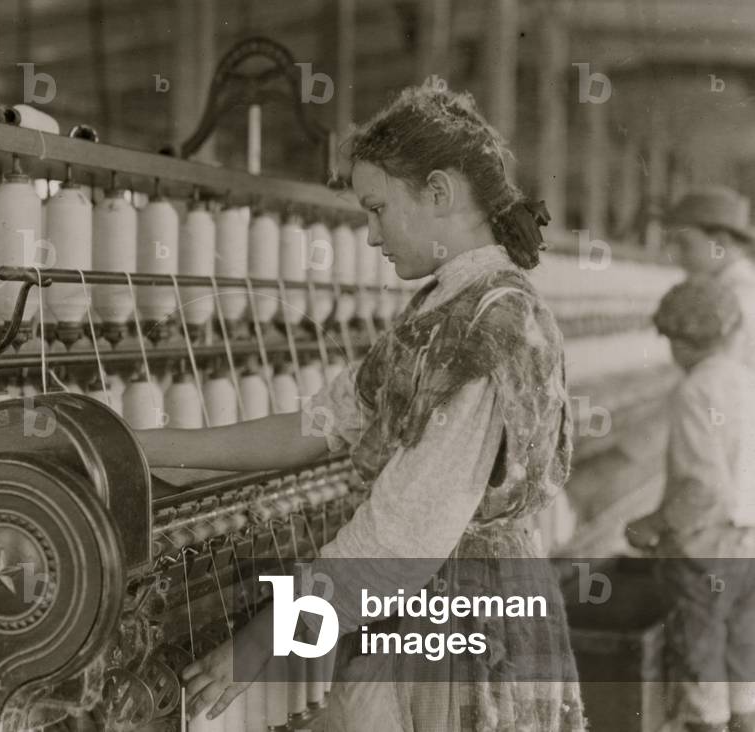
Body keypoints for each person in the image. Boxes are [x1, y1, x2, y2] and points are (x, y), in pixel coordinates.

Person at [135, 83, 585, 730]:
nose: (370, 236)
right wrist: (147, 445)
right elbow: (316, 425)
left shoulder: (488, 326)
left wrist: (265, 640)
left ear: (438, 192)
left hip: (458, 616)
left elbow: (404, 532)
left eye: (376, 209)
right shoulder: (443, 311)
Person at [626, 278, 755, 732]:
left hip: (707, 552)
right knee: (743, 662)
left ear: (679, 339)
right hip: (748, 545)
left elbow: (703, 487)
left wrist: (652, 524)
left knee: (700, 666)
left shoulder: (695, 390)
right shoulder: (746, 382)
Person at [664, 185, 755, 371]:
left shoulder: (736, 299)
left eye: (684, 244)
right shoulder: (728, 288)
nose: (673, 254)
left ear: (720, 243)